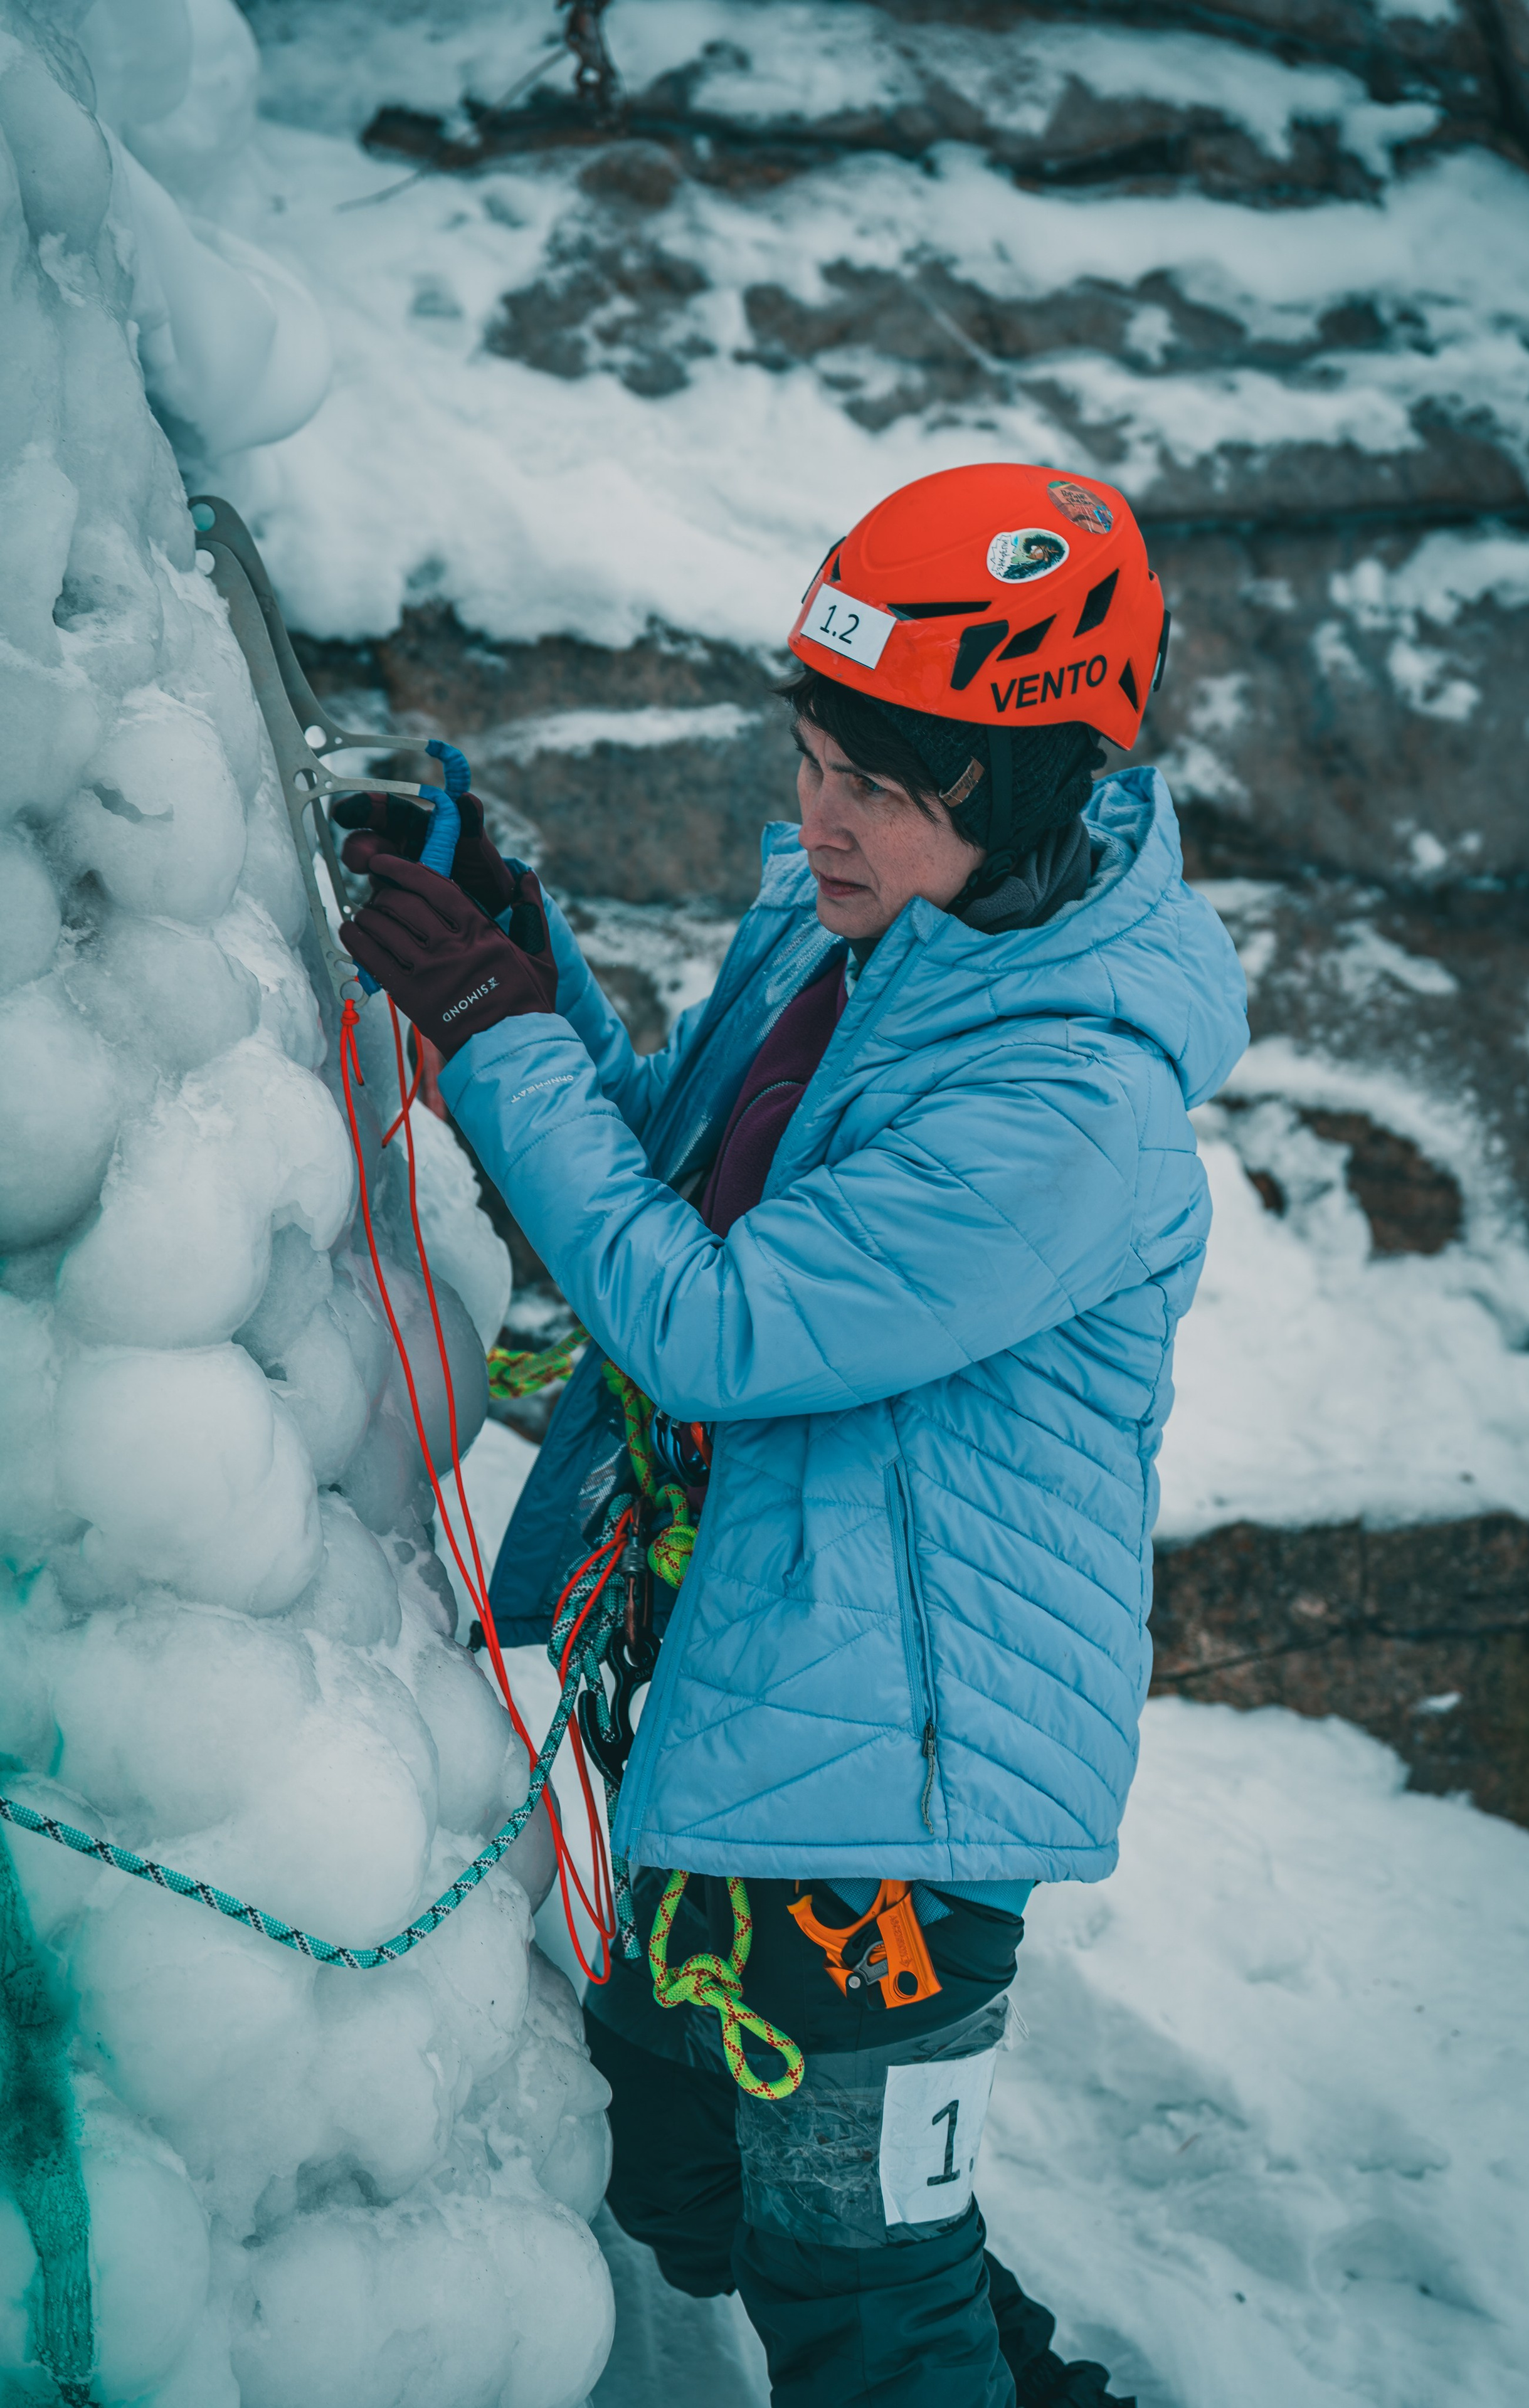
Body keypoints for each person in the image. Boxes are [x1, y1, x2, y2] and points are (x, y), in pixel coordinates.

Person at [339, 463, 1249, 2407]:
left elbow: (711, 1322)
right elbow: (664, 1170)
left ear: (1028, 789)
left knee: (858, 2296)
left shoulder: (1068, 1103)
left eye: (883, 788)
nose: (822, 817)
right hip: (748, 1720)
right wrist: (516, 951)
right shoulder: (849, 936)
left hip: (895, 1799)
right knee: (691, 2186)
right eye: (815, 758)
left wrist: (492, 1029)